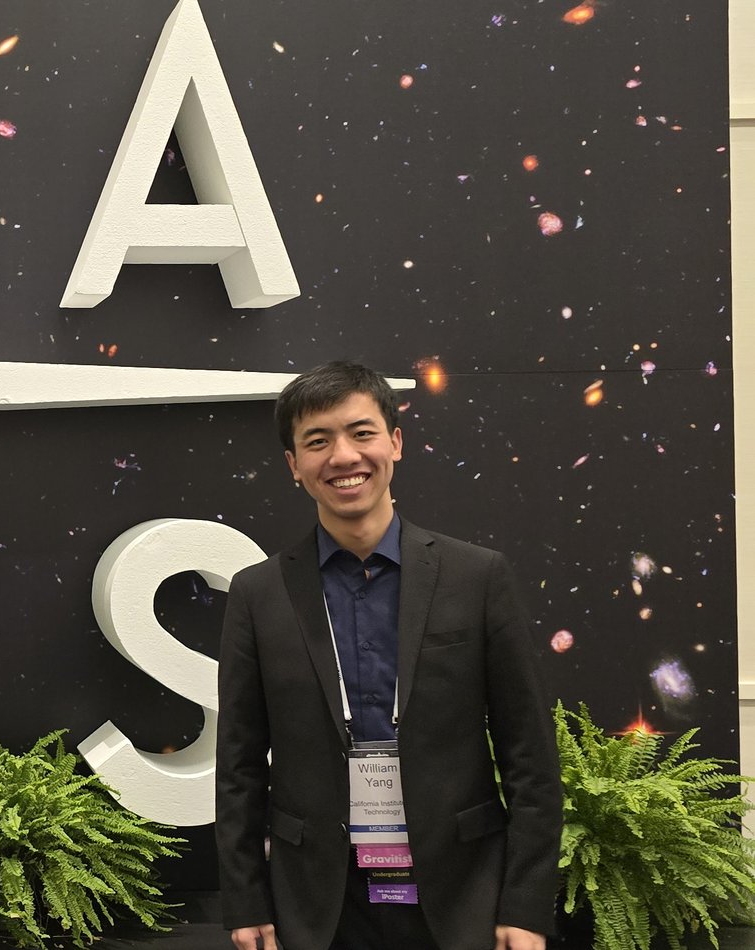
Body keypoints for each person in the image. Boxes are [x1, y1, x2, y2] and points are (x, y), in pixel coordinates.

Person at [215, 361, 561, 950]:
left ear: (395, 443)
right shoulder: (257, 594)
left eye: (361, 432)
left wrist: (525, 904)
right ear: (294, 466)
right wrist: (245, 900)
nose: (343, 456)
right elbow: (240, 767)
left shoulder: (476, 577)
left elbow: (529, 752)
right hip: (318, 901)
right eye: (317, 441)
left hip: (461, 892)